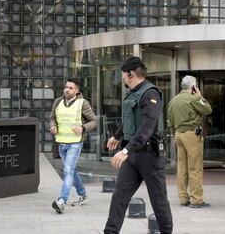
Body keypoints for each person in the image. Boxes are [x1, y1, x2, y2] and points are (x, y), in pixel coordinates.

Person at [104, 57, 173, 234]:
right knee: (119, 196)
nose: (123, 80)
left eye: (124, 76)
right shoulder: (133, 93)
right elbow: (130, 120)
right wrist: (117, 136)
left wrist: (125, 150)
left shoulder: (151, 93)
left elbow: (147, 127)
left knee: (159, 201)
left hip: (150, 156)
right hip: (133, 156)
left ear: (131, 73)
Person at [50, 78, 97, 214]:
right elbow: (52, 117)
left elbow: (94, 121)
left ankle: (61, 201)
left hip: (75, 143)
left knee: (68, 170)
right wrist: (53, 126)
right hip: (61, 142)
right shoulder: (58, 102)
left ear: (77, 91)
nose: (66, 90)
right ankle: (83, 195)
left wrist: (83, 128)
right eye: (66, 87)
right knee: (72, 170)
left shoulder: (83, 103)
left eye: (70, 88)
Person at [168, 75, 212, 208]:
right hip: (191, 135)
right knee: (195, 167)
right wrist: (199, 96)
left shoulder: (173, 100)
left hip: (178, 134)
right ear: (193, 86)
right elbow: (208, 109)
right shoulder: (193, 98)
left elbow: (170, 120)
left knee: (182, 168)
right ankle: (197, 199)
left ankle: (183, 198)